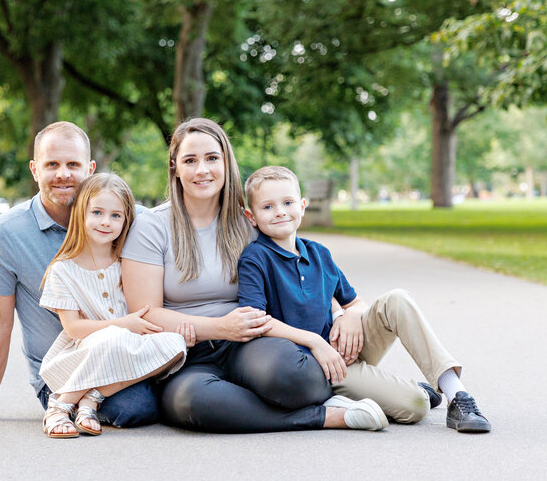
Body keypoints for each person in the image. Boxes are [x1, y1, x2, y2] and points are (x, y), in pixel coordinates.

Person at [121, 118, 388, 433]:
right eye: (190, 161)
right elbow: (145, 314)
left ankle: (274, 401)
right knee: (192, 403)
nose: (202, 169)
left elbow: (304, 269)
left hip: (250, 343)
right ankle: (326, 417)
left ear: (226, 162)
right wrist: (220, 327)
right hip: (187, 355)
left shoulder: (249, 223)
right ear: (175, 167)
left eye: (211, 158)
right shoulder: (152, 227)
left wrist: (346, 311)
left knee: (300, 380)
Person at [0, 122, 159, 427]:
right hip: (61, 373)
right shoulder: (6, 234)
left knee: (164, 379)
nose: (63, 174)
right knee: (133, 407)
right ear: (34, 169)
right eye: (52, 164)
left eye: (73, 164)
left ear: (90, 168)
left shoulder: (130, 219)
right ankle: (65, 404)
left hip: (126, 355)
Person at [237, 165, 491, 433]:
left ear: (301, 206)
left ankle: (458, 395)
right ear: (251, 217)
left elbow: (355, 301)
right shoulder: (255, 258)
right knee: (415, 405)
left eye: (287, 202)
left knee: (397, 299)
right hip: (317, 368)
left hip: (343, 348)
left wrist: (351, 315)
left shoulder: (319, 253)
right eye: (268, 207)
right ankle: (408, 391)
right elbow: (255, 320)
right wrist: (313, 342)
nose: (279, 211)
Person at [38, 173, 189, 438]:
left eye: (116, 216)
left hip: (129, 345)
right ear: (82, 214)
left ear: (126, 220)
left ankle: (92, 397)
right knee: (113, 336)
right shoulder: (63, 270)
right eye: (97, 212)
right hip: (88, 348)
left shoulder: (128, 262)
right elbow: (73, 328)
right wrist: (123, 324)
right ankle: (59, 405)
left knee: (176, 345)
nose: (106, 222)